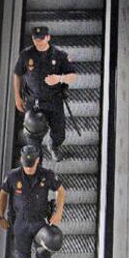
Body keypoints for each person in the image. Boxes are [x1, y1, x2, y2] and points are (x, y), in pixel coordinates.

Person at [14, 26, 77, 162]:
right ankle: (38, 166)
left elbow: (73, 76)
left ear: (48, 37)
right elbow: (17, 74)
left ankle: (53, 146)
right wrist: (17, 97)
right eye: (36, 39)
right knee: (33, 138)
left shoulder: (60, 55)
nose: (39, 42)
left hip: (54, 101)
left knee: (60, 134)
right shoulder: (26, 55)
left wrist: (59, 78)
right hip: (34, 102)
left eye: (42, 39)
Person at [0, 144, 65, 258]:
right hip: (20, 222)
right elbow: (3, 193)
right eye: (26, 165)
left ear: (38, 160)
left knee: (47, 249)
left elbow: (60, 190)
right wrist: (1, 216)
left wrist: (59, 211)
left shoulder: (46, 175)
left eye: (31, 165)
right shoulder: (13, 176)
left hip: (39, 221)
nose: (28, 169)